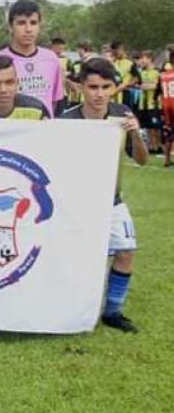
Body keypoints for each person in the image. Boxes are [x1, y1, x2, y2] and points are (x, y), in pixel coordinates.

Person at [60, 58, 147, 332]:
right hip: (75, 201)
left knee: (126, 250)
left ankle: (112, 311)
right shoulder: (67, 120)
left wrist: (135, 135)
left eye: (105, 87)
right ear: (81, 87)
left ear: (114, 88)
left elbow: (143, 161)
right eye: (93, 87)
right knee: (73, 256)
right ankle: (67, 307)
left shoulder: (122, 115)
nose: (99, 94)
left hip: (112, 200)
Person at [0, 0, 64, 116]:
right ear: (10, 27)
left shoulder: (51, 59)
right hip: (8, 130)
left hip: (43, 130)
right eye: (21, 23)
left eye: (33, 23)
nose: (28, 29)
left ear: (39, 26)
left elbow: (55, 101)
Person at [137, 50, 162, 154]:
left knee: (156, 127)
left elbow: (156, 86)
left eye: (144, 58)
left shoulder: (157, 71)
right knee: (147, 126)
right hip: (143, 104)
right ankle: (151, 147)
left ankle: (159, 146)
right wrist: (147, 86)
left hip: (154, 103)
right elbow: (140, 85)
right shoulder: (142, 72)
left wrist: (147, 86)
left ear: (150, 59)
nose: (142, 61)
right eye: (141, 58)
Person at [110, 41, 140, 110]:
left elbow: (137, 78)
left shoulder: (130, 62)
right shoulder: (112, 62)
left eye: (116, 52)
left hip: (125, 93)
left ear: (121, 49)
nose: (114, 54)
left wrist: (126, 84)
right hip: (113, 93)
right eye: (113, 52)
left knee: (125, 114)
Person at [158, 63, 174, 167]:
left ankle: (167, 160)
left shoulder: (163, 75)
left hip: (166, 106)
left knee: (169, 132)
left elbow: (159, 92)